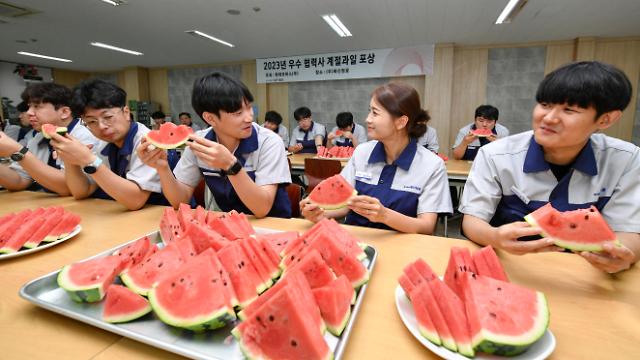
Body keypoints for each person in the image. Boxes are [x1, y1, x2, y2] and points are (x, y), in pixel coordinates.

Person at [460, 61, 640, 274]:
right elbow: (472, 221)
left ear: (606, 119)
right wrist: (494, 237)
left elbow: (628, 231)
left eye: (569, 109)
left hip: (586, 277)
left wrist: (622, 255)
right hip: (511, 269)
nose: (549, 118)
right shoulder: (496, 154)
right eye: (545, 104)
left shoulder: (626, 159)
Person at [300, 82, 452, 234]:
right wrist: (320, 215)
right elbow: (346, 205)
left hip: (403, 248)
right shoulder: (361, 153)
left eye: (375, 113)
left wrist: (384, 215)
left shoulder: (432, 165)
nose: (367, 119)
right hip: (356, 243)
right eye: (369, 111)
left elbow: (426, 227)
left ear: (401, 122)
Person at [137, 72, 292, 218]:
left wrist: (231, 166)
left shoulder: (269, 142)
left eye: (249, 107)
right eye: (238, 113)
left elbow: (261, 208)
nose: (249, 117)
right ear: (210, 118)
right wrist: (163, 168)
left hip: (274, 224)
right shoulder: (199, 143)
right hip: (229, 226)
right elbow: (180, 200)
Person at [49, 79, 168, 210]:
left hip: (158, 214)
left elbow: (136, 200)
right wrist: (70, 159)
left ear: (126, 113)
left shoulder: (147, 142)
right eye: (91, 121)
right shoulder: (102, 144)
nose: (101, 126)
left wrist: (89, 160)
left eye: (108, 117)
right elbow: (81, 192)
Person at [0, 83, 98, 194]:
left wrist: (18, 151)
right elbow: (20, 180)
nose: (29, 113)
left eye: (36, 106)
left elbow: (72, 188)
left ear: (64, 112)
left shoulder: (86, 136)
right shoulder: (39, 137)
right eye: (29, 107)